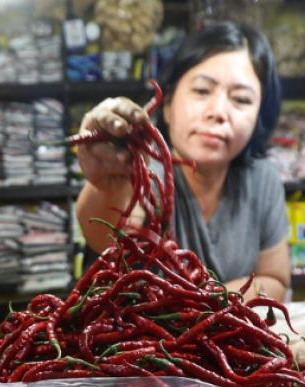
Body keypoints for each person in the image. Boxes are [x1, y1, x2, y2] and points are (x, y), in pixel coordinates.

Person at [74, 22, 290, 301]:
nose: (219, 111)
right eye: (202, 91)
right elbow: (108, 237)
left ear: (260, 115)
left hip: (223, 341)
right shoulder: (143, 169)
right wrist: (110, 185)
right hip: (142, 345)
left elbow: (274, 279)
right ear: (168, 102)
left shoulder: (262, 179)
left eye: (240, 99)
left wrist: (207, 304)